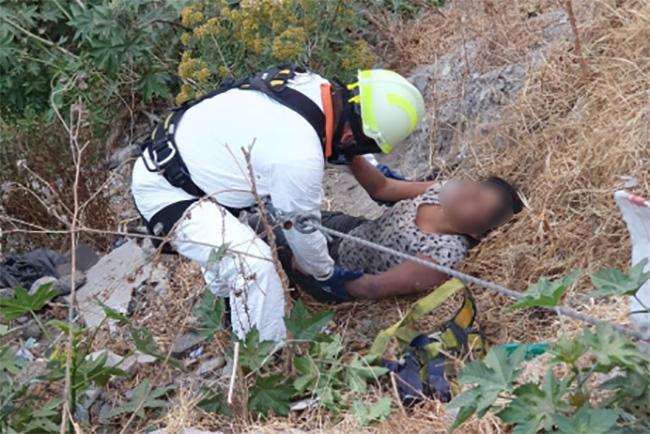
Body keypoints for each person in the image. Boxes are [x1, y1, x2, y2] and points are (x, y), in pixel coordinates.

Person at [131, 65, 425, 342]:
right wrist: (326, 275)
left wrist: (421, 186)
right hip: (168, 191)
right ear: (351, 136)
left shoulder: (314, 87)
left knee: (229, 264)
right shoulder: (297, 155)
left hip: (193, 161)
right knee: (252, 264)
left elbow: (363, 167)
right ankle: (259, 362)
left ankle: (228, 311)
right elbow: (303, 236)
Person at [264, 156, 523, 303]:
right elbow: (384, 189)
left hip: (337, 270)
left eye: (477, 203)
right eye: (475, 188)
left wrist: (318, 270)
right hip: (350, 230)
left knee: (261, 241)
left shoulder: (444, 254)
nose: (467, 193)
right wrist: (351, 154)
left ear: (478, 232)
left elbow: (372, 287)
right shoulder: (441, 191)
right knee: (270, 211)